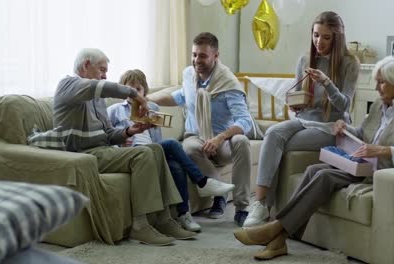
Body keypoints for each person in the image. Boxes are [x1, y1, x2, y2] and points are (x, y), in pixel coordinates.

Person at [234, 56, 394, 260]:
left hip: (382, 173)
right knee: (313, 170)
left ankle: (275, 229)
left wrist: (384, 150)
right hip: (361, 165)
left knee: (325, 176)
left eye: (382, 82)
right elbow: (363, 133)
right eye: (376, 81)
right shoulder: (378, 106)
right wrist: (344, 128)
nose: (377, 87)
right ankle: (278, 240)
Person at [53, 48, 197, 246]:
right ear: (86, 65)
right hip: (82, 154)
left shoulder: (98, 99)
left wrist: (130, 132)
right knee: (143, 154)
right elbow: (101, 86)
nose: (105, 75)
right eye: (102, 70)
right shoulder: (67, 85)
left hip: (103, 151)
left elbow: (108, 134)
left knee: (155, 150)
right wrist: (135, 94)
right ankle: (139, 226)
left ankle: (164, 219)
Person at [243, 11, 360, 227]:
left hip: (331, 127)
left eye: (326, 37)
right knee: (273, 133)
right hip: (304, 119)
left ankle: (267, 207)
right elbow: (299, 98)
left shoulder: (350, 63)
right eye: (316, 35)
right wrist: (296, 103)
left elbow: (344, 105)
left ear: (337, 38)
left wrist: (327, 82)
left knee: (282, 144)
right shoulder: (305, 59)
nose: (319, 42)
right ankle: (260, 204)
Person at [107, 69, 235, 232]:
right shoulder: (114, 110)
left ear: (144, 90)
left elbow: (157, 140)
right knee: (173, 144)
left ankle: (184, 214)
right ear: (122, 90)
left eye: (137, 90)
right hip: (132, 153)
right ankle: (202, 182)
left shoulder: (151, 108)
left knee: (175, 165)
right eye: (129, 90)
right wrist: (120, 144)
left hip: (153, 150)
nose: (133, 94)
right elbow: (108, 138)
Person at [151, 32, 253, 226]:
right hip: (196, 138)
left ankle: (242, 208)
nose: (197, 60)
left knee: (242, 141)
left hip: (222, 142)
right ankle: (220, 193)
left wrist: (220, 138)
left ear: (216, 56)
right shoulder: (189, 75)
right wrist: (146, 98)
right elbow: (181, 97)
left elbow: (245, 121)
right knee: (187, 148)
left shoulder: (228, 83)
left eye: (203, 56)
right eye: (194, 54)